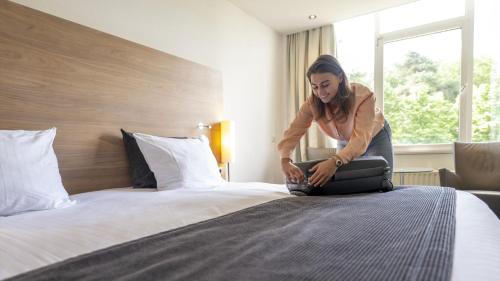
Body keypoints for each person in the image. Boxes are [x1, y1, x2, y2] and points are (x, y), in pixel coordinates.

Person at [278, 54, 393, 188]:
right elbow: (293, 131)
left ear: (340, 77)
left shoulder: (363, 96)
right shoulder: (312, 104)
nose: (321, 92)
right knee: (344, 184)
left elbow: (361, 139)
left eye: (325, 85)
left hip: (375, 137)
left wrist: (336, 161)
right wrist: (285, 160)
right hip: (345, 140)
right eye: (315, 87)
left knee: (381, 183)